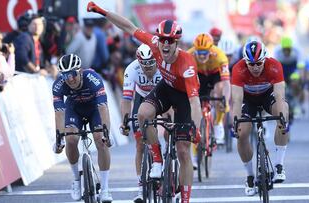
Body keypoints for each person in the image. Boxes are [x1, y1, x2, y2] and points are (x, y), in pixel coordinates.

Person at [87, 2, 202, 202]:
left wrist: (196, 128)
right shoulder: (153, 43)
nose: (165, 45)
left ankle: (185, 198)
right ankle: (156, 158)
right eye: (163, 40)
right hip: (165, 88)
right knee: (142, 113)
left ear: (177, 43)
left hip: (184, 97)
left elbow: (195, 103)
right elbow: (127, 26)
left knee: (183, 150)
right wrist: (102, 11)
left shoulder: (187, 64)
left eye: (170, 41)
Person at [230, 40, 289, 196]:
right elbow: (236, 100)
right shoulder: (238, 69)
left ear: (265, 59)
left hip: (267, 97)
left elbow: (279, 95)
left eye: (258, 63)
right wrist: (234, 122)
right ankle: (250, 175)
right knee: (242, 133)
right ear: (245, 61)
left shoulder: (274, 65)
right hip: (247, 100)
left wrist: (282, 118)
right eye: (251, 64)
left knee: (283, 113)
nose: (255, 67)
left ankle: (279, 165)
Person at [52, 54, 113, 202]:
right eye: (65, 75)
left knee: (100, 140)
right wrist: (59, 138)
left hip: (94, 109)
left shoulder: (93, 78)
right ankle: (76, 180)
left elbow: (103, 107)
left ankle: (105, 188)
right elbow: (59, 112)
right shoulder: (59, 84)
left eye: (72, 74)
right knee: (71, 139)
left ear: (80, 71)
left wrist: (107, 133)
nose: (70, 79)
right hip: (74, 109)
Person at [119, 44, 162, 202]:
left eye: (151, 64)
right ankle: (141, 187)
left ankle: (169, 165)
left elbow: (173, 95)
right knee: (139, 143)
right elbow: (126, 99)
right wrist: (125, 122)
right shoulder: (131, 69)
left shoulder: (163, 66)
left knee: (172, 127)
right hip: (142, 97)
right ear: (139, 62)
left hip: (162, 96)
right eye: (145, 66)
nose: (149, 69)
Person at [187, 33, 230, 144]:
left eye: (204, 52)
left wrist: (225, 99)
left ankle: (218, 122)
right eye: (199, 52)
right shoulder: (188, 55)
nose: (201, 56)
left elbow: (226, 83)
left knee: (219, 90)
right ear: (194, 50)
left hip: (214, 74)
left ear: (210, 50)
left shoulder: (220, 55)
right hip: (199, 75)